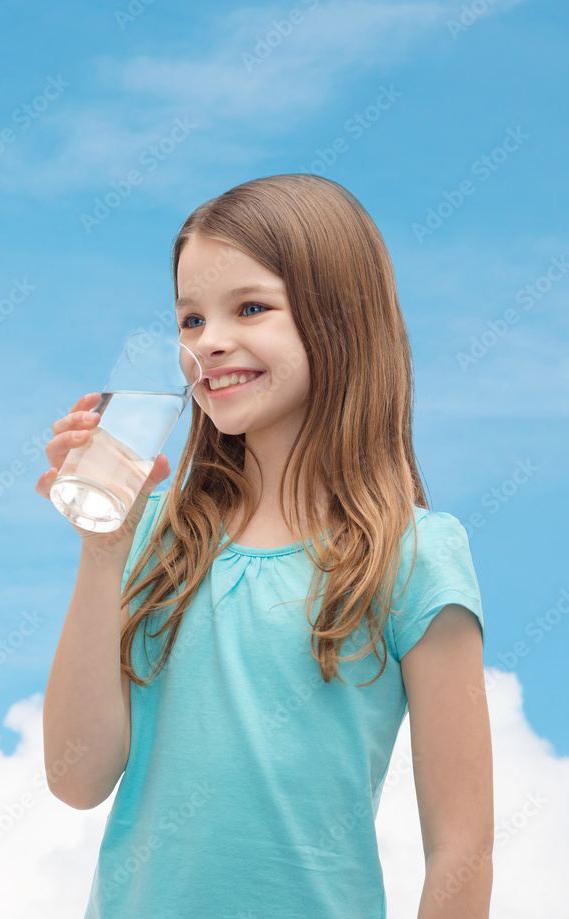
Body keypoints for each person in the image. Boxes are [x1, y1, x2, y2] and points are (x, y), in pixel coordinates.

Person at [36, 174, 493, 918]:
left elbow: (462, 845)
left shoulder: (415, 557)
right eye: (189, 320)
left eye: (250, 308)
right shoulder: (151, 535)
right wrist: (101, 551)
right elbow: (76, 777)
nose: (208, 341)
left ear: (340, 320)